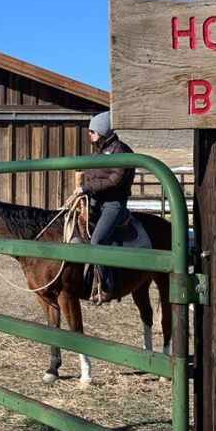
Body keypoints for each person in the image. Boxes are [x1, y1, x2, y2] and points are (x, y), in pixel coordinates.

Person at [76, 111, 135, 304]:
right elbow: (95, 176)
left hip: (113, 204)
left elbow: (115, 180)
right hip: (97, 201)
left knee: (98, 240)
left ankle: (107, 287)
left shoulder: (121, 151)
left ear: (102, 131)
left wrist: (87, 187)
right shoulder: (101, 150)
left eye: (92, 131)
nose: (89, 135)